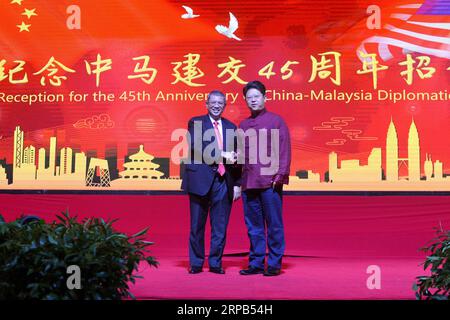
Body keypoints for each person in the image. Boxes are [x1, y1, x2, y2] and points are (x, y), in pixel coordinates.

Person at [181, 90, 241, 274]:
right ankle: (197, 263)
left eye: (220, 103)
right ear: (206, 104)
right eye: (213, 102)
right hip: (200, 180)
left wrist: (238, 184)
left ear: (225, 105)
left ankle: (215, 263)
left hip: (223, 182)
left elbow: (236, 158)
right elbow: (197, 147)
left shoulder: (231, 127)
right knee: (196, 226)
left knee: (220, 227)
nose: (216, 105)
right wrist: (222, 154)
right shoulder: (196, 122)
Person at [238, 81, 291, 276]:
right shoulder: (243, 125)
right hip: (249, 183)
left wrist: (280, 174)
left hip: (270, 183)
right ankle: (256, 263)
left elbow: (284, 148)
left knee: (274, 225)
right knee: (254, 227)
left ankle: (275, 264)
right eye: (249, 97)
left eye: (256, 96)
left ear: (265, 98)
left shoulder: (276, 121)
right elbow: (241, 154)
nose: (253, 100)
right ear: (245, 100)